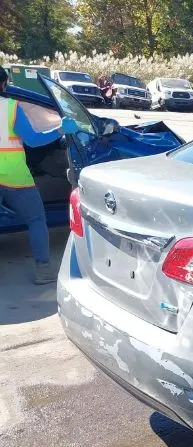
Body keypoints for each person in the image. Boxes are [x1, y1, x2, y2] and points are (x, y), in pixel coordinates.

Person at [0, 67, 79, 284]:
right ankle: (44, 270)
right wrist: (61, 130)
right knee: (36, 219)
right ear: (4, 84)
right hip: (14, 176)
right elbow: (33, 141)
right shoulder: (11, 108)